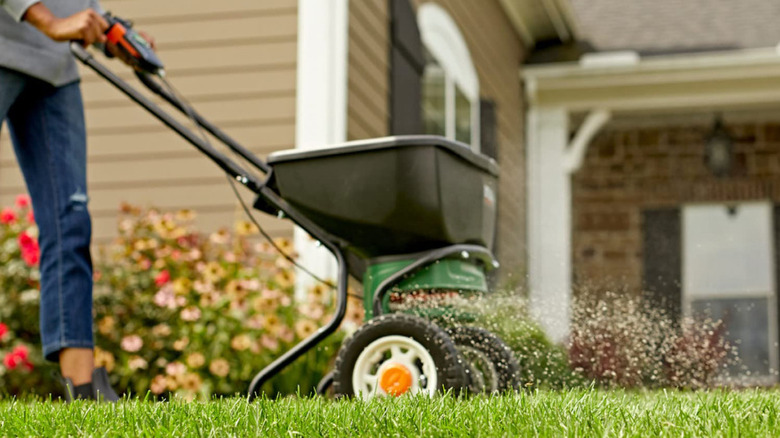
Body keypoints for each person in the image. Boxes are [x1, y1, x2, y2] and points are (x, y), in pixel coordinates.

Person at [0, 0, 154, 401]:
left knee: (69, 219)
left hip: (54, 67)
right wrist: (50, 21)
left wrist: (105, 30)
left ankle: (82, 393)